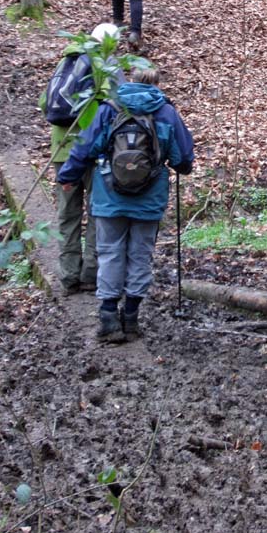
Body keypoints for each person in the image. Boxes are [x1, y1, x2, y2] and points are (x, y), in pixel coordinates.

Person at [57, 67, 194, 343]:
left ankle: (109, 317)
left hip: (109, 196)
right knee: (140, 255)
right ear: (157, 84)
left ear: (131, 81)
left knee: (110, 253)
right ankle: (131, 318)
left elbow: (85, 147)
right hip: (149, 199)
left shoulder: (110, 108)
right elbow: (183, 160)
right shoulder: (166, 113)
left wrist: (68, 176)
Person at [46, 23, 120, 295]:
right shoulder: (105, 64)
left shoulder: (66, 61)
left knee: (68, 214)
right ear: (110, 43)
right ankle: (90, 273)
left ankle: (68, 276)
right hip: (92, 151)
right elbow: (116, 104)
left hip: (62, 150)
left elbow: (45, 104)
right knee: (97, 211)